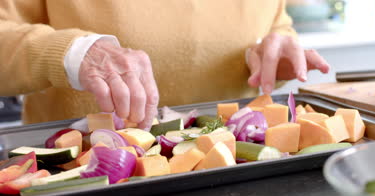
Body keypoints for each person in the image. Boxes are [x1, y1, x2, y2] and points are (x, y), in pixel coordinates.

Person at [0, 1, 329, 130]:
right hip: (85, 185)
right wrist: (75, 52)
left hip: (237, 172)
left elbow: (274, 24)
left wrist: (273, 49)